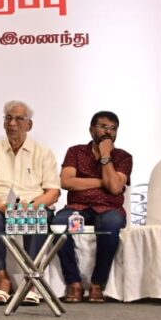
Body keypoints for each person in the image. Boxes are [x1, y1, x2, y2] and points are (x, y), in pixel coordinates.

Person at [0, 100, 60, 305]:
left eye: (18, 119)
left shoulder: (43, 152)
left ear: (29, 125)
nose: (12, 123)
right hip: (1, 208)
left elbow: (53, 192)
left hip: (33, 206)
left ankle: (31, 283)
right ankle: (2, 280)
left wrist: (30, 206)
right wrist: (1, 207)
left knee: (37, 215)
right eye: (8, 118)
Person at [54, 111, 131, 303]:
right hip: (77, 207)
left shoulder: (123, 157)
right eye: (103, 127)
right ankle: (74, 282)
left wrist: (105, 155)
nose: (108, 132)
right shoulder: (75, 152)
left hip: (108, 208)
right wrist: (103, 182)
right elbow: (66, 182)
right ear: (91, 130)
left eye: (113, 128)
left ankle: (98, 283)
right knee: (59, 223)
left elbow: (115, 188)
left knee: (111, 224)